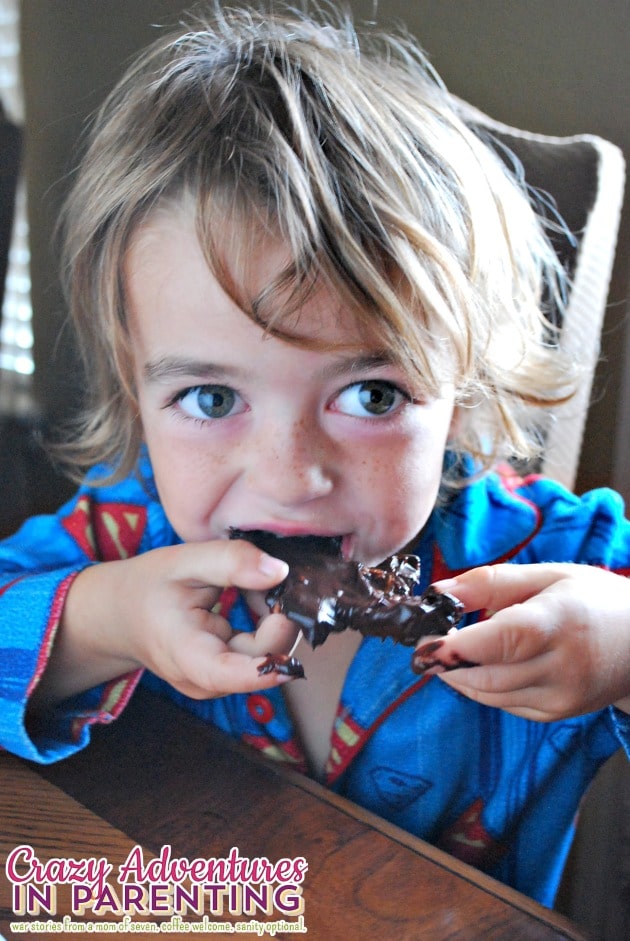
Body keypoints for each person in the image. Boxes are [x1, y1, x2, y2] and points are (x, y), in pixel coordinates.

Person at [2, 2, 629, 909]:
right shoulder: (121, 539)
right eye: (211, 398)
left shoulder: (542, 559)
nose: (292, 473)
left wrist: (619, 643)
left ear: (458, 395)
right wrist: (103, 621)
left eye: (371, 395)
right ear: (137, 393)